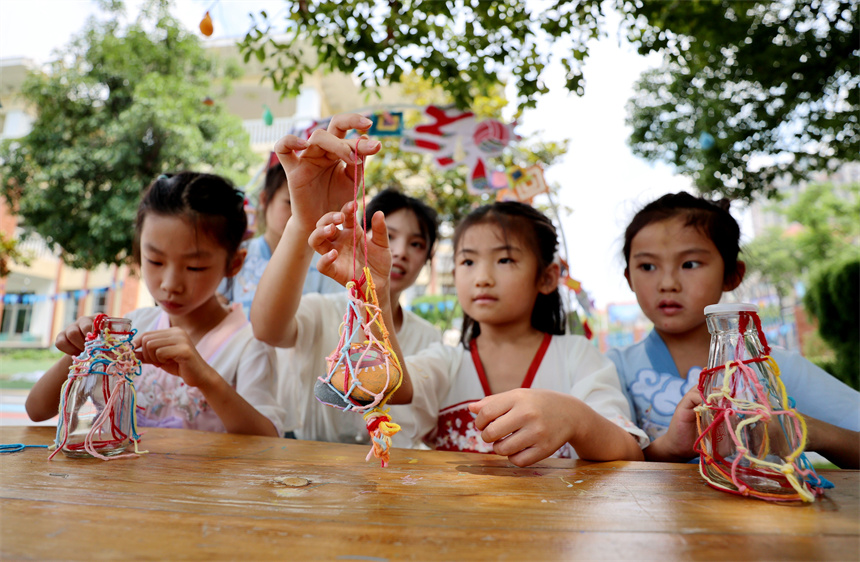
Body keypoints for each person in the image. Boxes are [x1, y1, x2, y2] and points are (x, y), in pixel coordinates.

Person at [310, 187, 648, 467]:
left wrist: (575, 418)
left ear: (547, 278)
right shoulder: (446, 361)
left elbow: (630, 453)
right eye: (468, 261)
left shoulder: (577, 356)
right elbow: (393, 386)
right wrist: (374, 293)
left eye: (504, 259)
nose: (482, 278)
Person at [607, 192, 859, 467]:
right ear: (629, 277)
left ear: (732, 274)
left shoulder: (773, 368)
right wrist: (668, 448)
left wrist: (807, 430)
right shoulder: (611, 368)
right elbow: (606, 466)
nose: (667, 283)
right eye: (647, 266)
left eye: (690, 264)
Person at [26, 172, 288, 437]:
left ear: (234, 263)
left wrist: (206, 379)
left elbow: (267, 441)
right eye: (155, 261)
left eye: (195, 267)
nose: (170, 284)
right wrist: (82, 349)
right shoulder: (134, 326)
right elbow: (37, 410)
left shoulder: (250, 345)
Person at [251, 114, 442, 445]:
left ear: (427, 259)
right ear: (359, 233)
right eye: (388, 234)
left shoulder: (430, 337)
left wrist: (375, 293)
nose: (400, 252)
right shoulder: (321, 310)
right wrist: (304, 222)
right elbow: (268, 330)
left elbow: (400, 391)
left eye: (416, 244)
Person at [222, 164, 342, 317]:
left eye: (309, 205)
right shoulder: (238, 255)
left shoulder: (326, 262)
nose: (300, 212)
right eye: (290, 203)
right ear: (264, 199)